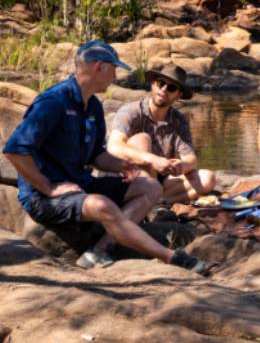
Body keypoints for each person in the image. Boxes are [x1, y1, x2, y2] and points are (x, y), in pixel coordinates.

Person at [2, 40, 209, 273]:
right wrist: (49, 188)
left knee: (150, 188)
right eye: (114, 68)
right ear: (99, 67)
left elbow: (96, 155)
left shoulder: (94, 108)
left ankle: (99, 251)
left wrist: (121, 165)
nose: (115, 75)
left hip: (81, 184)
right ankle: (172, 257)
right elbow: (14, 150)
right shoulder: (53, 102)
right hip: (44, 197)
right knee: (103, 205)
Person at [107, 64, 216, 204]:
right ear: (153, 84)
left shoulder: (179, 120)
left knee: (208, 179)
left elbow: (191, 159)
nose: (164, 89)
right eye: (161, 83)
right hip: (125, 176)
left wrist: (182, 165)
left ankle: (156, 201)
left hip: (159, 180)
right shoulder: (130, 111)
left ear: (178, 95)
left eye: (171, 88)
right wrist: (153, 160)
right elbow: (114, 146)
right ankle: (148, 198)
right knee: (142, 139)